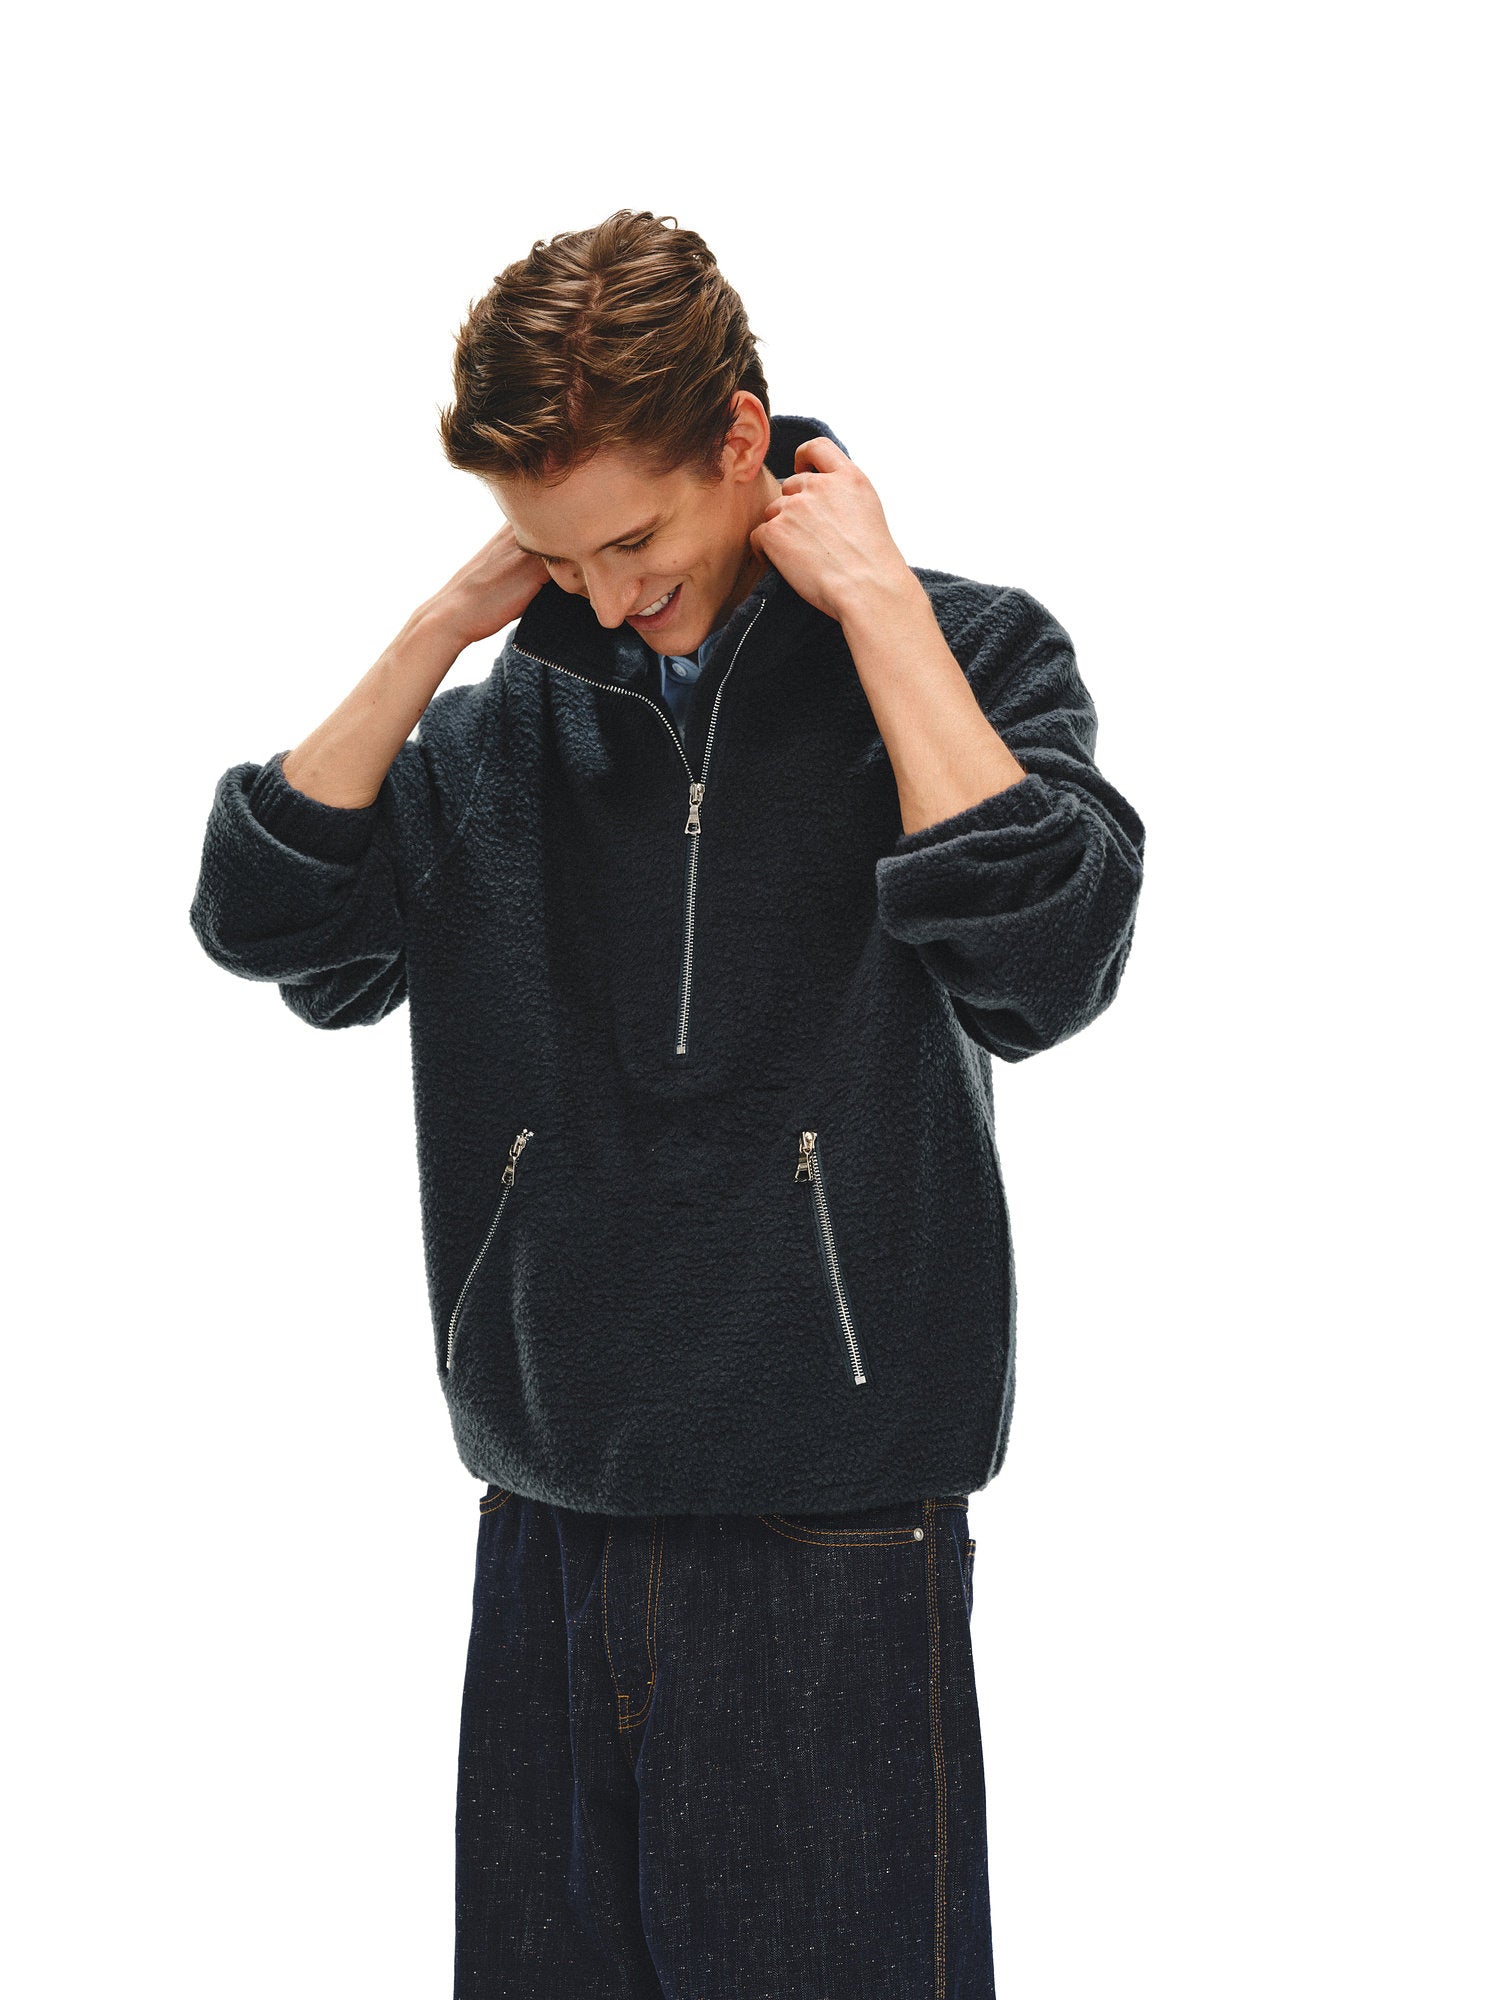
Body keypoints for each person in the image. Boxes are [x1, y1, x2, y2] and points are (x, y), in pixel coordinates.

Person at [188, 208, 1145, 1999]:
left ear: (741, 440)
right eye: (555, 557)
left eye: (634, 539)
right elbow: (270, 920)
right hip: (547, 1509)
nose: (609, 596)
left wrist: (879, 607)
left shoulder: (963, 658)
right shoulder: (499, 726)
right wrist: (443, 628)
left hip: (834, 1520)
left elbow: (1052, 960)